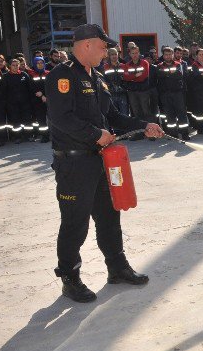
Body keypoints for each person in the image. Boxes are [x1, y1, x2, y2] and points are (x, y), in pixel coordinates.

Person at [45, 23, 164, 303]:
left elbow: (113, 116)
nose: (107, 52)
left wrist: (144, 125)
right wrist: (95, 134)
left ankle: (117, 267)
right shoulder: (62, 77)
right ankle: (70, 278)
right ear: (86, 45)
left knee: (110, 216)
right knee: (75, 223)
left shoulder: (98, 78)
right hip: (74, 165)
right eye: (102, 46)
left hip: (100, 162)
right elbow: (61, 118)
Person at [156, 46, 191, 141]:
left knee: (181, 115)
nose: (167, 56)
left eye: (169, 54)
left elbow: (179, 75)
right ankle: (173, 135)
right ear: (163, 55)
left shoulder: (177, 64)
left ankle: (185, 134)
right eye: (166, 54)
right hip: (165, 94)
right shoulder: (159, 66)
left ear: (172, 55)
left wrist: (167, 74)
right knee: (169, 116)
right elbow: (159, 75)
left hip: (177, 93)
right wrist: (170, 74)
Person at [123, 44, 154, 140]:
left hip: (143, 91)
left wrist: (132, 76)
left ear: (139, 53)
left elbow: (144, 76)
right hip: (132, 92)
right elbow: (125, 77)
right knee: (136, 113)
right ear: (130, 54)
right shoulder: (127, 65)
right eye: (133, 53)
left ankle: (151, 133)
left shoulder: (144, 63)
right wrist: (136, 76)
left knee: (146, 112)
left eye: (136, 53)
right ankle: (139, 134)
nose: (135, 55)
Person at [1, 58, 33, 144]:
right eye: (13, 65)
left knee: (27, 120)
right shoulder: (6, 76)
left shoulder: (24, 75)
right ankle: (17, 137)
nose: (15, 67)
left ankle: (29, 135)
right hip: (12, 104)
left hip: (25, 103)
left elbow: (30, 88)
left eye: (17, 65)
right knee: (15, 120)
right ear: (10, 66)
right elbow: (3, 91)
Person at [28, 57, 50, 142]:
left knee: (52, 119)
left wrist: (45, 95)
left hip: (48, 99)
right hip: (37, 101)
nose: (40, 64)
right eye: (38, 63)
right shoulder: (31, 75)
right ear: (34, 64)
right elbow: (32, 87)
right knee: (41, 120)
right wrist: (41, 95)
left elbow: (51, 86)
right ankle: (45, 136)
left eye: (42, 62)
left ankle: (54, 135)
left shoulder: (48, 73)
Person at [103, 47, 129, 119]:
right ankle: (117, 130)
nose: (114, 56)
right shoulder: (105, 67)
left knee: (125, 114)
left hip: (122, 94)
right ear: (109, 56)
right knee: (114, 116)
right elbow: (103, 81)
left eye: (115, 54)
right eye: (112, 54)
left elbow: (128, 79)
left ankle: (126, 130)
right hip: (111, 95)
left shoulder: (123, 66)